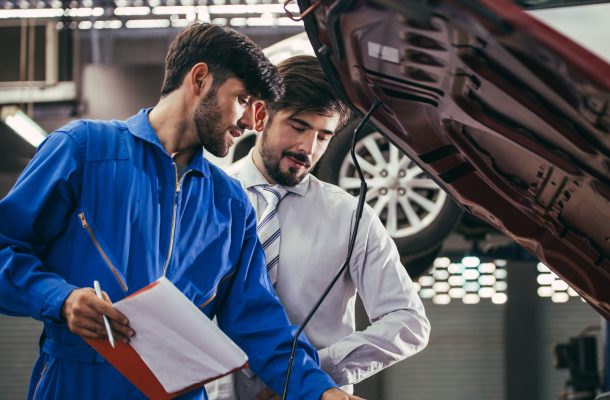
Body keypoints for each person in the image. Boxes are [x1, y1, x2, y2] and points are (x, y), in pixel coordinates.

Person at [0, 24, 360, 400]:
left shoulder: (231, 205)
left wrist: (321, 391)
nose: (252, 121)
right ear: (200, 79)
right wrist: (60, 298)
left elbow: (261, 323)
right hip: (78, 384)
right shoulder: (85, 150)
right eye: (243, 99)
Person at [209, 55, 430, 399]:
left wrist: (309, 373)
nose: (307, 149)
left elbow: (408, 322)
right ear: (262, 115)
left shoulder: (351, 217)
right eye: (298, 127)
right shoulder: (205, 197)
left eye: (324, 136)